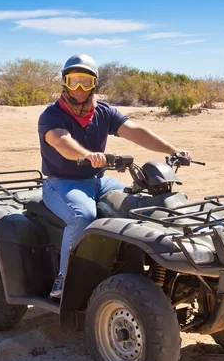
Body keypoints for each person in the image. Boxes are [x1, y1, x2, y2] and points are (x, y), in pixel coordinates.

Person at [38, 54, 190, 298]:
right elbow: (61, 142)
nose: (78, 88)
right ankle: (64, 279)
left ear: (94, 84)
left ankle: (138, 268)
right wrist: (89, 155)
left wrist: (172, 150)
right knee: (83, 215)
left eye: (85, 82)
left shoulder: (103, 112)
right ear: (64, 82)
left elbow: (135, 131)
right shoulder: (51, 115)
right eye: (73, 81)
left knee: (137, 204)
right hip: (62, 183)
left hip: (99, 181)